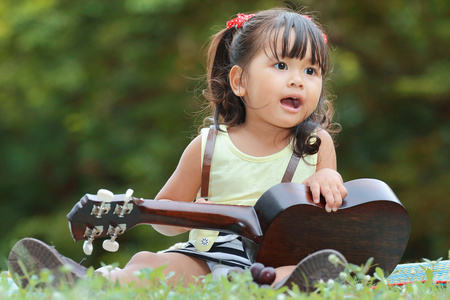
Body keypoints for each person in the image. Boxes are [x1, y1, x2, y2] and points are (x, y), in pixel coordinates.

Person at [8, 7, 348, 291]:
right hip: (210, 256)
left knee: (313, 267)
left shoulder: (316, 145)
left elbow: (334, 210)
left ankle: (290, 287)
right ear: (240, 81)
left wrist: (329, 178)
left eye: (311, 70)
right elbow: (163, 223)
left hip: (281, 261)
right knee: (150, 264)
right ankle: (80, 283)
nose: (298, 79)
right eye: (281, 66)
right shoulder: (209, 147)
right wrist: (190, 211)